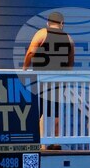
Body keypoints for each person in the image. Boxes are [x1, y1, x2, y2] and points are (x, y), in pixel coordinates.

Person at [23, 11, 76, 147]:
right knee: (55, 112)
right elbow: (70, 62)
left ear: (48, 22)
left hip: (41, 79)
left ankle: (31, 141)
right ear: (62, 24)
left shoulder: (42, 33)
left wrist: (24, 68)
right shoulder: (69, 38)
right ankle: (56, 142)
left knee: (35, 110)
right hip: (57, 81)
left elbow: (30, 52)